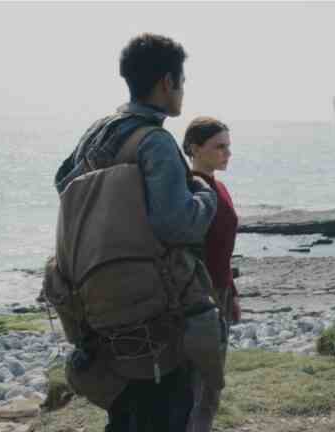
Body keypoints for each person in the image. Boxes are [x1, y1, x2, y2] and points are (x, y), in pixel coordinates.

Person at [53, 33, 218, 432]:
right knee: (166, 410)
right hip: (153, 311)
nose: (182, 90)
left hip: (98, 307)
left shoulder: (100, 131)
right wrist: (204, 194)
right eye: (182, 81)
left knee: (127, 414)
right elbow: (175, 224)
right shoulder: (155, 142)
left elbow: (63, 182)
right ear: (167, 82)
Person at [182, 116, 241, 432]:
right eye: (219, 147)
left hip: (221, 293)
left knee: (212, 378)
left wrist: (232, 293)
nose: (227, 153)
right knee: (201, 378)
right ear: (195, 148)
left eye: (228, 146)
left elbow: (223, 249)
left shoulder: (221, 187)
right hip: (197, 298)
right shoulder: (188, 189)